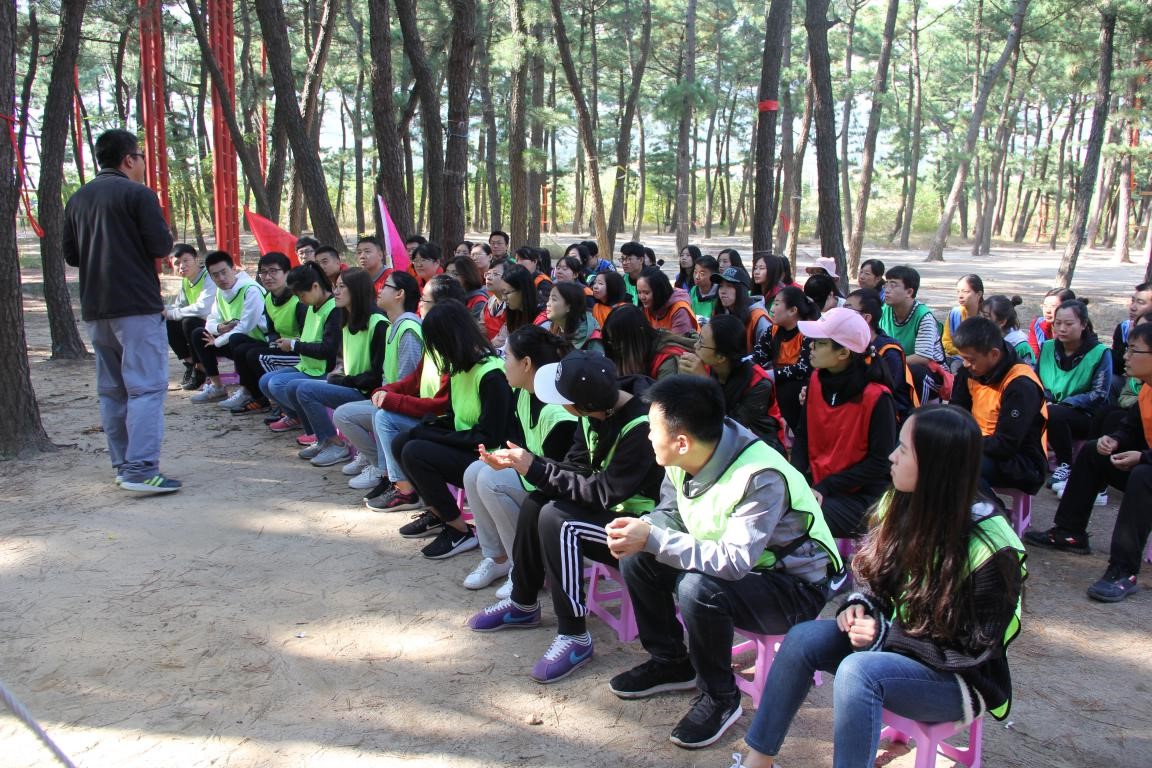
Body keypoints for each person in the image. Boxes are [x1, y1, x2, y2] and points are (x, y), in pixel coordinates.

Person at [734, 405, 1026, 768]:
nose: (891, 456)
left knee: (859, 673)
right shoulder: (899, 502)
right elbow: (874, 575)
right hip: (896, 648)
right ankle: (758, 762)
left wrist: (886, 636)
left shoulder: (992, 547)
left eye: (903, 449)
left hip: (959, 679)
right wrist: (860, 605)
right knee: (802, 639)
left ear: (935, 466)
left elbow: (972, 649)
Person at [605, 375, 841, 749]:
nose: (648, 435)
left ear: (681, 441)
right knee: (640, 558)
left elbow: (733, 561)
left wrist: (652, 538)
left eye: (652, 428)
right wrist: (644, 529)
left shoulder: (759, 475)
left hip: (794, 589)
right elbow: (673, 512)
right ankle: (671, 662)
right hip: (747, 571)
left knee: (698, 588)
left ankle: (720, 697)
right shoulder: (686, 453)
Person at [467, 352, 664, 683]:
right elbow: (577, 467)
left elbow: (602, 493)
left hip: (641, 526)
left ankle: (574, 636)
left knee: (559, 520)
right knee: (537, 502)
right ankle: (523, 603)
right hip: (613, 509)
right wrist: (527, 462)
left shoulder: (641, 427)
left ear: (581, 407)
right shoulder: (596, 409)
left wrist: (535, 467)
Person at [63, 128, 179, 493]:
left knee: (113, 390)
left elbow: (72, 255)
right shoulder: (138, 194)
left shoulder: (78, 199)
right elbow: (161, 245)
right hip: (136, 306)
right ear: (129, 159)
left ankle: (123, 464)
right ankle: (141, 469)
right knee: (145, 388)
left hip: (96, 308)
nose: (143, 163)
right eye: (141, 157)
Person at [1023, 322, 1152, 602]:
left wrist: (1143, 457)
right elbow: (1131, 426)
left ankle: (1123, 570)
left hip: (1148, 472)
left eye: (1133, 350)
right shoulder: (1146, 389)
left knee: (1143, 475)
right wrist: (1115, 440)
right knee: (1094, 451)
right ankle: (1069, 532)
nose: (1125, 356)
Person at [461, 326, 579, 595]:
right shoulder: (524, 393)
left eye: (507, 356)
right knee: (474, 471)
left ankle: (525, 567)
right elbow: (528, 451)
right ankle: (498, 558)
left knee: (490, 479)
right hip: (538, 475)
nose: (503, 362)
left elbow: (560, 477)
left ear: (526, 364)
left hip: (561, 493)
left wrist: (514, 463)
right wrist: (507, 458)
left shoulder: (558, 414)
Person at [392, 301, 514, 558]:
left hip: (490, 459)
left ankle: (459, 530)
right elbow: (456, 418)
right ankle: (439, 515)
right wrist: (430, 427)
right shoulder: (460, 368)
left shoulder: (492, 375)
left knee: (415, 450)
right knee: (402, 441)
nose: (436, 351)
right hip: (468, 448)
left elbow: (489, 436)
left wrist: (433, 434)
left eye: (437, 344)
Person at [790, 308, 898, 539]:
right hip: (821, 485)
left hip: (862, 497)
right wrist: (796, 480)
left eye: (820, 343)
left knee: (801, 516)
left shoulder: (877, 397)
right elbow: (803, 434)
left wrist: (824, 487)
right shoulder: (816, 379)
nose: (811, 346)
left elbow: (880, 463)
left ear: (843, 353)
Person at [361, 276, 463, 511]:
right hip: (431, 418)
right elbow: (414, 379)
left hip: (447, 426)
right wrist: (386, 391)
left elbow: (441, 405)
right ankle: (395, 481)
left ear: (442, 307)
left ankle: (405, 490)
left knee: (384, 418)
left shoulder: (455, 348)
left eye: (424, 301)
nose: (419, 306)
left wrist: (393, 400)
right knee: (379, 414)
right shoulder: (435, 339)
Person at [334, 270, 426, 491]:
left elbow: (410, 384)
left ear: (399, 294)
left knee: (380, 413)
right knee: (343, 415)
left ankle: (388, 476)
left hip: (407, 407)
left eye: (386, 286)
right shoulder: (394, 326)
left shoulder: (409, 330)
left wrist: (384, 398)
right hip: (390, 398)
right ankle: (376, 463)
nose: (379, 290)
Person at [291, 268, 389, 467]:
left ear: (357, 290)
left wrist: (342, 379)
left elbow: (377, 376)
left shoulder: (378, 323)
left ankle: (341, 447)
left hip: (369, 393)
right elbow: (344, 362)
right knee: (295, 386)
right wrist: (339, 373)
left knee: (306, 389)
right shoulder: (346, 320)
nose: (335, 291)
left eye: (342, 287)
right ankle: (325, 440)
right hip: (352, 385)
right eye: (335, 286)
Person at [951, 317, 1048, 496]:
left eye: (970, 359)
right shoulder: (970, 370)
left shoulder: (1020, 384)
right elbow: (956, 412)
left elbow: (1006, 445)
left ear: (994, 354)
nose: (965, 364)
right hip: (979, 445)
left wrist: (962, 442)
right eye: (963, 358)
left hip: (1019, 461)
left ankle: (992, 511)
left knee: (958, 466)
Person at [676, 315, 785, 453]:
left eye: (701, 342)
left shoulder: (759, 384)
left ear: (721, 357)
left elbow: (732, 428)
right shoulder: (706, 366)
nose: (695, 346)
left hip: (759, 445)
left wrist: (705, 383)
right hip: (716, 439)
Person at [1039, 299, 1112, 493]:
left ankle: (1065, 464)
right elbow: (1037, 382)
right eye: (1058, 323)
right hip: (1050, 407)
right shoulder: (1047, 347)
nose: (1062, 328)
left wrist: (1064, 404)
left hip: (1085, 415)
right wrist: (1047, 399)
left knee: (1055, 413)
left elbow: (1099, 394)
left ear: (1083, 324)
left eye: (1069, 324)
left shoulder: (1100, 353)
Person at [259, 262, 340, 434]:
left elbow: (328, 350)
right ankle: (295, 416)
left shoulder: (333, 309)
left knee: (278, 384)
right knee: (265, 381)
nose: (300, 300)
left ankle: (318, 426)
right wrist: (293, 341)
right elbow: (309, 337)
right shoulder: (312, 306)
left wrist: (294, 345)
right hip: (307, 366)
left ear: (315, 287)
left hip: (325, 370)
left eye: (301, 295)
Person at [225, 251, 308, 415]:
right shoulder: (269, 298)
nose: (267, 277)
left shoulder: (298, 300)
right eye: (263, 272)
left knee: (255, 355)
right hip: (280, 346)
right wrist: (274, 340)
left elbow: (309, 336)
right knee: (237, 341)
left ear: (287, 273)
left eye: (273, 271)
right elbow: (271, 330)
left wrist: (288, 343)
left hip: (299, 351)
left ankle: (283, 404)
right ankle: (258, 398)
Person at [188, 251, 268, 403]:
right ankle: (217, 387)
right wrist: (220, 328)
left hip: (258, 342)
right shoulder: (220, 292)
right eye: (215, 275)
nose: (221, 278)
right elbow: (211, 320)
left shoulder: (251, 290)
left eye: (224, 272)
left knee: (236, 338)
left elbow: (245, 327)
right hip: (233, 340)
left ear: (234, 269)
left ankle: (247, 391)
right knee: (199, 334)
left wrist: (217, 341)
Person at [845, 288, 917, 424]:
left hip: (886, 419)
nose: (841, 315)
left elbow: (881, 396)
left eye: (847, 310)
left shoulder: (889, 351)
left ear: (866, 318)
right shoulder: (845, 344)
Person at [880, 265, 946, 403]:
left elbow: (923, 358)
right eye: (886, 284)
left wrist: (889, 362)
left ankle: (919, 411)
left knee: (914, 371)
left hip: (931, 374)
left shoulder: (923, 316)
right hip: (897, 365)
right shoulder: (884, 310)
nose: (887, 289)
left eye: (893, 285)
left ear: (909, 292)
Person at [165, 244, 216, 391]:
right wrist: (161, 311)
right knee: (170, 322)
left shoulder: (209, 277)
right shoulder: (186, 281)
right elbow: (179, 306)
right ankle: (190, 363)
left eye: (186, 260)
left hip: (217, 325)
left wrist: (171, 313)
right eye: (177, 263)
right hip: (200, 325)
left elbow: (203, 309)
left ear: (197, 259)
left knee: (189, 322)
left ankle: (201, 368)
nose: (182, 266)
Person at [768, 286, 819, 432]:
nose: (772, 309)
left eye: (777, 304)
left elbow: (803, 368)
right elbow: (758, 355)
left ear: (792, 310)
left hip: (796, 390)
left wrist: (770, 374)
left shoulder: (807, 332)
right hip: (779, 383)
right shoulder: (772, 330)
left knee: (790, 388)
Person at [602, 304, 694, 380]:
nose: (614, 348)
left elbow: (664, 396)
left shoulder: (668, 361)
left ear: (639, 334)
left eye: (618, 343)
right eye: (611, 342)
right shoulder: (642, 349)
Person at [711, 268, 771, 363]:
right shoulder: (721, 311)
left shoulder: (759, 318)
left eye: (729, 286)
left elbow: (768, 356)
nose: (722, 291)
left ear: (741, 290)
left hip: (752, 369)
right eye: (721, 286)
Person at [1110, 282, 1152, 390]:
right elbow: (1117, 367)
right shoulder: (1124, 328)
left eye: (1141, 302)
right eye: (1133, 301)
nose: (1133, 307)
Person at [542, 282, 603, 352]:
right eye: (549, 299)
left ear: (569, 307)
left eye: (554, 299)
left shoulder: (593, 341)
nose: (547, 304)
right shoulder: (555, 326)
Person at [638, 267, 698, 334]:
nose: (642, 297)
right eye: (639, 292)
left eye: (646, 293)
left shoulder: (680, 310)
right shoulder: (646, 306)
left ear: (659, 292)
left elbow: (678, 339)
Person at [981, 294, 1035, 366]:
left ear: (1002, 322)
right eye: (981, 315)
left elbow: (1027, 371)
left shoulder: (1021, 346)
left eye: (986, 316)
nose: (981, 320)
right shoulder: (985, 337)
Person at [943, 274, 985, 359]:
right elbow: (946, 342)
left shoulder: (987, 316)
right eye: (958, 291)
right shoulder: (954, 313)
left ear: (979, 294)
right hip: (956, 358)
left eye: (965, 292)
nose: (960, 296)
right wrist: (962, 352)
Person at [1027, 287, 1076, 359]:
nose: (1047, 311)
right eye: (1045, 306)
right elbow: (1034, 357)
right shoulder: (1037, 325)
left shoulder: (1077, 330)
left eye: (1053, 306)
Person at [498, 264, 543, 338]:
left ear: (523, 290)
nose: (503, 298)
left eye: (506, 293)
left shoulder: (542, 319)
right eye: (502, 293)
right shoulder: (513, 312)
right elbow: (500, 339)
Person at [447, 256, 489, 322]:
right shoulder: (446, 293)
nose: (449, 277)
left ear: (467, 275)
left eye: (455, 274)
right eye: (447, 273)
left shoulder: (479, 301)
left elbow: (473, 327)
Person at [480, 260, 510, 345]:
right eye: (488, 273)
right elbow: (481, 328)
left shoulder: (512, 305)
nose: (488, 278)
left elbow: (502, 340)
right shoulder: (490, 301)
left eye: (495, 274)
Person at [688, 254, 720, 321]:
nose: (697, 277)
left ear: (713, 275)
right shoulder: (693, 290)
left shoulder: (719, 293)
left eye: (702, 274)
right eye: (695, 272)